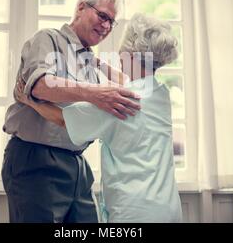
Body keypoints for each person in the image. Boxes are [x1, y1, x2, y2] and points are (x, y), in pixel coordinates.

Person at [16, 13, 183, 223]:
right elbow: (128, 80)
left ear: (129, 54)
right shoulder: (160, 93)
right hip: (168, 208)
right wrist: (94, 61)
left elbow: (63, 119)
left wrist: (29, 100)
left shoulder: (118, 102)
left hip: (135, 212)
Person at [1, 0, 141, 223]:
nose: (106, 26)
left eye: (112, 22)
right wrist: (95, 93)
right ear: (81, 7)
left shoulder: (90, 63)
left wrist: (95, 63)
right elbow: (39, 86)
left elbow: (130, 85)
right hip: (36, 159)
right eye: (103, 16)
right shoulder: (48, 38)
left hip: (77, 164)